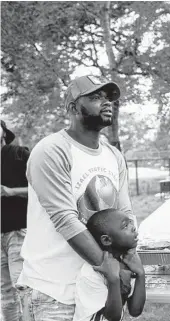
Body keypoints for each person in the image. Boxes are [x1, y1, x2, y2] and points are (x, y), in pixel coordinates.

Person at [16, 75, 135, 321]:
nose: (106, 102)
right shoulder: (52, 150)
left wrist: (127, 262)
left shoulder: (114, 156)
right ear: (72, 108)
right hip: (54, 291)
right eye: (95, 97)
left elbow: (125, 213)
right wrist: (108, 268)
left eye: (108, 97)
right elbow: (65, 219)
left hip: (96, 287)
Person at [74, 209, 145, 321]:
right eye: (125, 226)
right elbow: (113, 317)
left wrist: (141, 273)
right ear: (107, 240)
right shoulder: (91, 273)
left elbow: (135, 311)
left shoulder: (125, 262)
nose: (133, 227)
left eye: (130, 222)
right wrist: (113, 280)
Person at [1, 120, 30, 321]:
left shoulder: (20, 154)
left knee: (22, 286)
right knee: (4, 292)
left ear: (3, 132)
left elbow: (41, 189)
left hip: (18, 231)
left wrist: (10, 191)